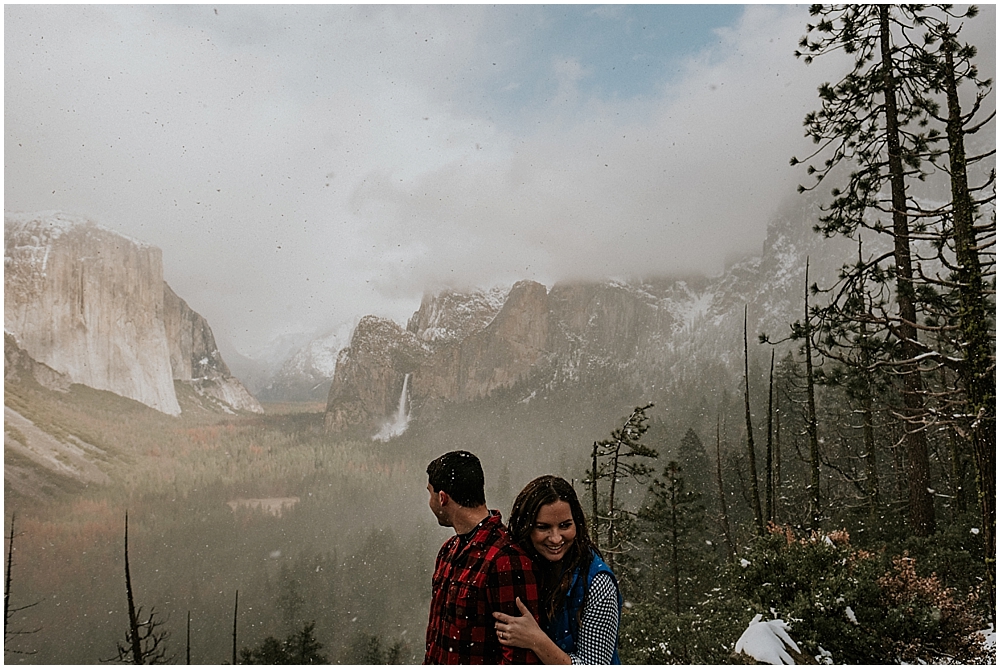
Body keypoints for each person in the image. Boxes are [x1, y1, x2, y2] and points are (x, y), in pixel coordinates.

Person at [424, 450, 542, 664]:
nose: (429, 501)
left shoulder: (506, 560)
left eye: (429, 493)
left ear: (442, 498)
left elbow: (519, 658)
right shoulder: (448, 552)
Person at [492, 475, 622, 665]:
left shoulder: (597, 583)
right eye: (543, 527)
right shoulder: (521, 567)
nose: (555, 538)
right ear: (525, 528)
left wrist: (536, 640)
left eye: (564, 526)